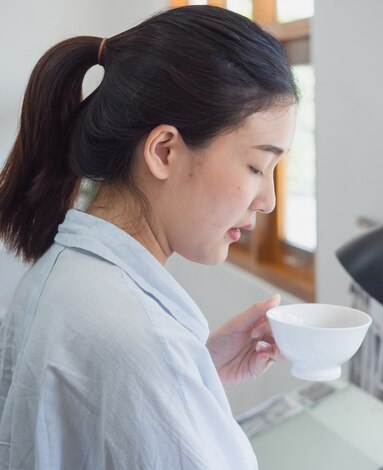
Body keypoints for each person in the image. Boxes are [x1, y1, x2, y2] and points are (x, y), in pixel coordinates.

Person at [0, 5, 298, 469]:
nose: (268, 202)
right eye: (257, 166)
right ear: (164, 151)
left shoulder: (58, 271)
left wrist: (196, 370)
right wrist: (170, 370)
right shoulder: (139, 342)